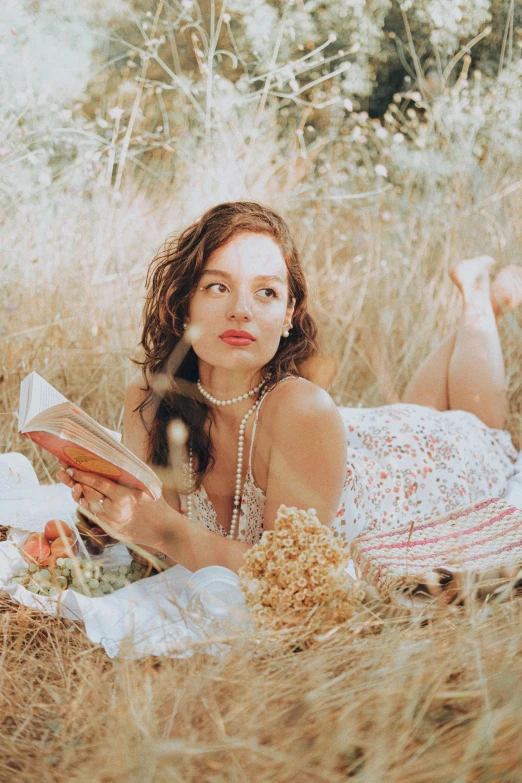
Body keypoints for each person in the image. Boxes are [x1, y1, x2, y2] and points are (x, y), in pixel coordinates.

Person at [57, 202, 519, 574]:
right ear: (183, 306)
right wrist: (100, 519)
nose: (241, 310)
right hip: (361, 437)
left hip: (415, 471)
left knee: (476, 426)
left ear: (288, 317)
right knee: (419, 410)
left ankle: (478, 298)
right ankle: (484, 306)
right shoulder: (149, 396)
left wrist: (159, 529)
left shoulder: (303, 408)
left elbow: (290, 571)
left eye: (266, 293)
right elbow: (153, 548)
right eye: (218, 287)